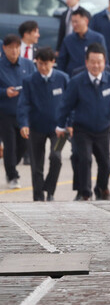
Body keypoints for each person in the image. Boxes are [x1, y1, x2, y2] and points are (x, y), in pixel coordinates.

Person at [56, 43, 110, 201]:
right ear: (86, 62)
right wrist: (61, 126)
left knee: (106, 164)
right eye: (93, 61)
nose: (96, 65)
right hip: (82, 129)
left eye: (99, 62)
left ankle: (101, 188)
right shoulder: (77, 81)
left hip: (103, 129)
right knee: (84, 159)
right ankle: (85, 193)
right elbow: (65, 105)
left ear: (105, 62)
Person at [17, 47, 68, 201]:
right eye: (39, 64)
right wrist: (24, 123)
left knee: (56, 157)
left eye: (46, 64)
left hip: (59, 130)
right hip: (36, 128)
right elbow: (23, 104)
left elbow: (71, 102)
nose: (43, 68)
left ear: (53, 62)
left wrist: (70, 123)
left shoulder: (63, 79)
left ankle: (50, 190)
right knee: (36, 165)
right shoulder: (29, 81)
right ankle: (38, 197)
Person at [0, 34, 37, 188]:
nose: (14, 51)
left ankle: (11, 165)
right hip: (5, 111)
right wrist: (4, 92)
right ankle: (12, 175)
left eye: (17, 47)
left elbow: (35, 84)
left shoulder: (28, 65)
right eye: (10, 48)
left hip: (24, 114)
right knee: (10, 144)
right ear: (4, 49)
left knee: (23, 145)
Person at [57, 9, 107, 77]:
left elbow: (105, 61)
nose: (74, 25)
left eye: (76, 22)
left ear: (86, 21)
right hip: (72, 78)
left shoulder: (98, 38)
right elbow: (61, 62)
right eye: (72, 22)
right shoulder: (68, 40)